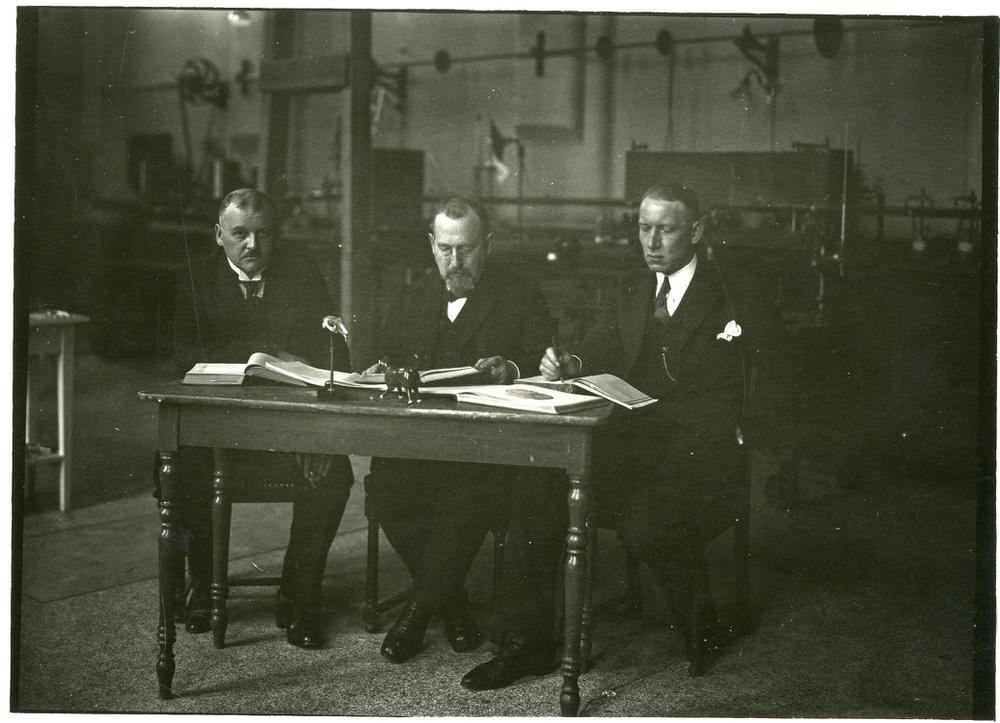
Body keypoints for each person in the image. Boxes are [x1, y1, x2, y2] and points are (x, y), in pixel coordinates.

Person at [462, 182, 789, 690]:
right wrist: (572, 362)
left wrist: (747, 430)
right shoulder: (630, 286)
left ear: (696, 232)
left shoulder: (735, 292)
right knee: (535, 488)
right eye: (644, 228)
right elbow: (600, 346)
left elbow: (773, 374)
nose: (651, 242)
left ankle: (703, 627)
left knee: (646, 523)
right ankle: (528, 644)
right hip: (631, 443)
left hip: (702, 453)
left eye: (666, 229)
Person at [364, 196, 557, 667]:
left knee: (469, 496)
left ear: (487, 244)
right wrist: (381, 370)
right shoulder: (412, 296)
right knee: (384, 492)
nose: (455, 261)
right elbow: (386, 356)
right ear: (432, 245)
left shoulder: (520, 293)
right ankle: (452, 605)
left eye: (466, 249)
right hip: (420, 443)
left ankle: (417, 612)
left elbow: (545, 359)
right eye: (445, 249)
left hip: (489, 449)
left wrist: (511, 368)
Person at [169, 188, 354, 649]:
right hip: (218, 432)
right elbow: (182, 356)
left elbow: (334, 354)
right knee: (184, 469)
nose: (253, 245)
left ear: (277, 235)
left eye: (264, 234)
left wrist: (315, 435)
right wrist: (266, 353)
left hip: (290, 430)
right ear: (219, 235)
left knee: (333, 474)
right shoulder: (194, 277)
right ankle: (204, 586)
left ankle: (299, 594)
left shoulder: (301, 272)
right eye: (240, 234)